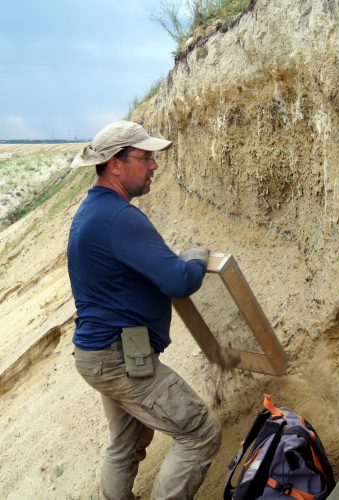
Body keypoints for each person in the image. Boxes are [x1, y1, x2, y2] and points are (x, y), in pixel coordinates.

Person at [67, 120, 221, 500]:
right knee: (199, 431)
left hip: (97, 353)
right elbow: (179, 281)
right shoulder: (119, 218)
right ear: (115, 164)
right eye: (145, 157)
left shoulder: (92, 210)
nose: (153, 165)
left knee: (128, 441)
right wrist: (196, 258)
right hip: (117, 358)